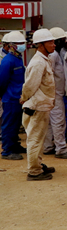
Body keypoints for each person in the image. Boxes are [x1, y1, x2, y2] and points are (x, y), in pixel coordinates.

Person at [20, 29, 57, 180]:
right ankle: (34, 171)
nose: (54, 45)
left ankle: (37, 164)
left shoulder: (44, 60)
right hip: (37, 106)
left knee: (38, 138)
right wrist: (24, 97)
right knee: (35, 139)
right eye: (50, 42)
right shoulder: (38, 63)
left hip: (41, 105)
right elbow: (30, 85)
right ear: (41, 45)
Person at [43, 27, 67, 159]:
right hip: (54, 93)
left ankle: (48, 146)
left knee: (49, 122)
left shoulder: (56, 54)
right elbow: (48, 74)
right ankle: (61, 148)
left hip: (52, 93)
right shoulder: (53, 55)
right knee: (58, 121)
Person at [0, 31, 27, 160]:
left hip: (18, 98)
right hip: (10, 98)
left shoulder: (18, 59)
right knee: (9, 125)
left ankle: (14, 145)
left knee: (16, 125)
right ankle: (7, 150)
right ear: (11, 45)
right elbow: (2, 81)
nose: (22, 45)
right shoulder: (8, 61)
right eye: (19, 43)